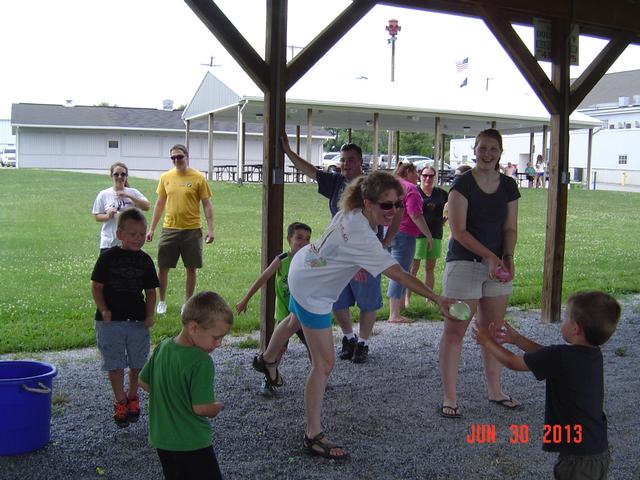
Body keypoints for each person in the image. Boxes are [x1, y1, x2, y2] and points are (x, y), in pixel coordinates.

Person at [287, 171, 456, 459]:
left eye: (398, 204)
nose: (393, 211)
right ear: (368, 202)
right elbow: (399, 275)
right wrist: (436, 297)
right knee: (324, 363)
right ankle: (312, 435)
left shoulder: (353, 210)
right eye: (385, 205)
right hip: (312, 290)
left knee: (292, 323)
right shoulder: (362, 233)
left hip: (305, 269)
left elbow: (344, 243)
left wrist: (359, 262)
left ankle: (267, 360)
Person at [473, 291, 621, 480]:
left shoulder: (561, 357)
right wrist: (517, 339)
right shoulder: (592, 355)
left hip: (578, 461)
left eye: (566, 316)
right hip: (597, 450)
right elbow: (546, 357)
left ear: (576, 328)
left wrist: (486, 342)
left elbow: (512, 362)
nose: (563, 320)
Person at [281, 136, 398, 363]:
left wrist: (385, 243)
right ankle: (348, 338)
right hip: (338, 256)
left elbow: (398, 209)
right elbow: (310, 171)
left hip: (366, 252)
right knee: (339, 300)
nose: (346, 164)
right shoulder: (335, 182)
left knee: (368, 300)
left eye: (351, 160)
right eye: (343, 160)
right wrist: (287, 150)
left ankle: (363, 343)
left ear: (360, 161)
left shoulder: (372, 185)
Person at [438, 128, 520, 419]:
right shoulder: (462, 184)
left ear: (500, 153)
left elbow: (510, 228)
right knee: (455, 330)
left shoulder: (509, 185)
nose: (487, 154)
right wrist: (489, 256)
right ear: (474, 150)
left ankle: (495, 390)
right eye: (482, 148)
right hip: (464, 265)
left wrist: (506, 259)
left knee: (493, 331)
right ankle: (450, 397)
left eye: (492, 149)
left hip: (496, 267)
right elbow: (458, 231)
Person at [139, 291, 233, 480]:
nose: (219, 344)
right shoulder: (201, 361)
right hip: (192, 441)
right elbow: (201, 408)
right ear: (194, 327)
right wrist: (216, 407)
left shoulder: (163, 347)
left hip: (163, 439)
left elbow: (143, 382)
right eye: (216, 337)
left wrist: (171, 395)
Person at [90, 207, 159, 428]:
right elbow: (96, 287)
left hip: (137, 321)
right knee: (115, 362)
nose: (138, 238)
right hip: (110, 322)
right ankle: (120, 399)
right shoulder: (107, 258)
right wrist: (103, 309)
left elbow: (150, 292)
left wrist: (149, 315)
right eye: (132, 234)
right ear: (119, 234)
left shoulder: (145, 261)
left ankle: (132, 395)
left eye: (142, 234)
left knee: (138, 361)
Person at [236, 222, 312, 393]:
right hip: (285, 313)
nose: (303, 243)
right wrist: (245, 300)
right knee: (279, 349)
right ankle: (269, 378)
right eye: (299, 238)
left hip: (302, 313)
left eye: (307, 239)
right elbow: (262, 279)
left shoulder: (310, 259)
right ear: (289, 239)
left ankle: (318, 377)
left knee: (313, 348)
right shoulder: (282, 260)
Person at [146, 145, 215, 315]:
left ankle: (188, 303)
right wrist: (151, 228)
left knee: (191, 268)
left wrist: (211, 229)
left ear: (187, 157)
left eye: (180, 157)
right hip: (169, 228)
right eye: (173, 158)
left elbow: (206, 204)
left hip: (192, 230)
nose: (177, 160)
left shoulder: (198, 177)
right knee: (163, 267)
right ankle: (162, 301)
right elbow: (160, 203)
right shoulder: (166, 178)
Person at [387, 161, 433, 323]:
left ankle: (399, 306)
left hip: (386, 231)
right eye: (415, 172)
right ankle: (394, 314)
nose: (417, 175)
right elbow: (415, 214)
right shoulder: (411, 189)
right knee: (400, 272)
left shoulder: (390, 185)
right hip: (404, 232)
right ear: (407, 172)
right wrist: (428, 235)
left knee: (390, 269)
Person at [405, 165, 448, 307]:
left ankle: (429, 299)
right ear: (420, 176)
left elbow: (449, 209)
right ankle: (406, 299)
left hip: (435, 234)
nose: (427, 179)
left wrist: (445, 220)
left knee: (430, 268)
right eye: (425, 175)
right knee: (413, 269)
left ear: (434, 177)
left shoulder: (441, 193)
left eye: (430, 176)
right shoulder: (414, 191)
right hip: (417, 235)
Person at [92, 162, 150, 253]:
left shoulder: (133, 192)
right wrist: (108, 216)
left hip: (130, 243)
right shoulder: (104, 194)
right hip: (109, 243)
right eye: (116, 174)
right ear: (111, 175)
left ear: (126, 176)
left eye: (123, 174)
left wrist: (129, 196)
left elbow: (146, 206)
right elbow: (97, 216)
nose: (120, 177)